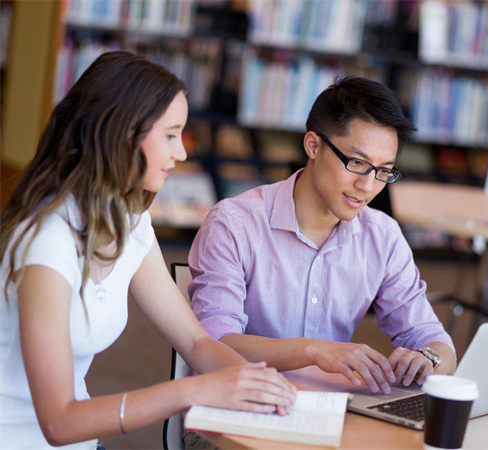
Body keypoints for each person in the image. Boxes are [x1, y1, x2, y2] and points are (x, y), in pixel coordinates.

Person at [0, 51, 296, 450]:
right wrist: (194, 392)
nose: (183, 152)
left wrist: (262, 386)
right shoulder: (48, 242)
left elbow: (195, 342)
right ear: (126, 133)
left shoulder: (128, 219)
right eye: (171, 134)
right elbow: (59, 421)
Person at [188, 76, 457, 397]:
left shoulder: (382, 236)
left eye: (384, 170)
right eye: (357, 163)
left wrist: (427, 359)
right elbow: (214, 343)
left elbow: (436, 343)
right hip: (239, 405)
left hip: (330, 411)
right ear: (313, 145)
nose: (368, 187)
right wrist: (312, 351)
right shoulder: (235, 223)